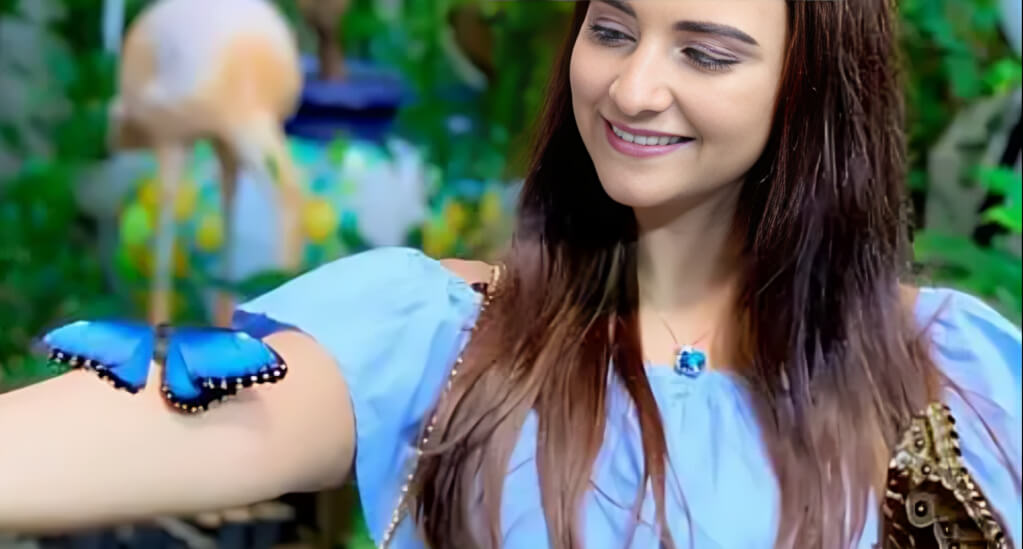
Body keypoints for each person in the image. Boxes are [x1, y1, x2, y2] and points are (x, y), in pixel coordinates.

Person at [1, 1, 1020, 547]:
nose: (632, 85)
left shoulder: (958, 369)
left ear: (814, 89)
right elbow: (125, 430)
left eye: (705, 53)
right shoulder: (444, 338)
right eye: (612, 29)